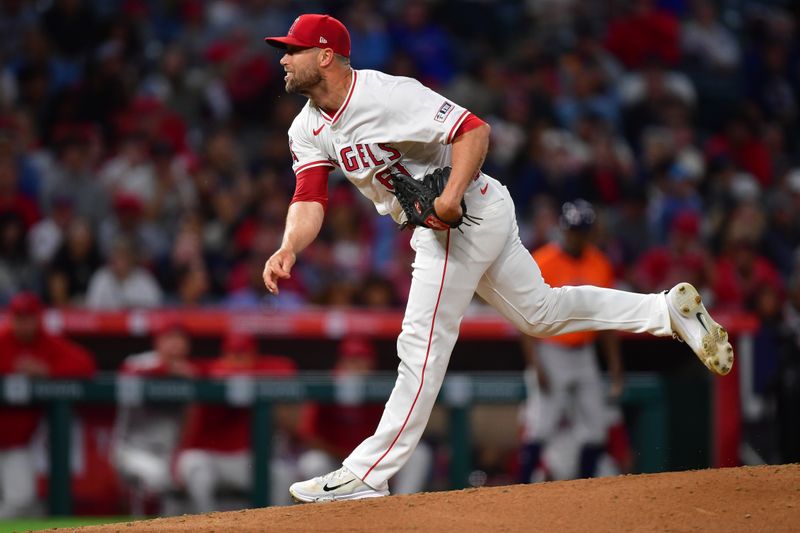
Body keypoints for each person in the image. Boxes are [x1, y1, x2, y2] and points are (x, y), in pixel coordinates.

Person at [261, 13, 734, 503]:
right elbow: (309, 198)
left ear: (325, 56)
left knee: (421, 343)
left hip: (466, 215)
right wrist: (289, 246)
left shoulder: (385, 94)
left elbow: (473, 130)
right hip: (450, 220)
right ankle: (665, 312)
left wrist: (450, 196)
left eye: (293, 50)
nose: (284, 59)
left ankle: (368, 472)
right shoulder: (308, 127)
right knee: (542, 314)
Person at [519, 200, 623, 483]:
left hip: (585, 352)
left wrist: (614, 367)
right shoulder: (543, 260)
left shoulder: (600, 264)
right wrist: (535, 364)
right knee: (540, 425)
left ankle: (584, 492)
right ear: (563, 229)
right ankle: (519, 493)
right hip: (551, 349)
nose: (576, 236)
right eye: (573, 230)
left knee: (595, 428)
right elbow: (525, 317)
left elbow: (607, 321)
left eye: (582, 231)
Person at [174, 332, 298, 511]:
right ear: (224, 355)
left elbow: (287, 368)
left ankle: (274, 526)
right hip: (209, 457)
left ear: (253, 356)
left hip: (243, 460)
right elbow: (189, 369)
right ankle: (206, 526)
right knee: (194, 466)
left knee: (283, 475)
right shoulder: (209, 371)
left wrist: (247, 375)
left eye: (242, 354)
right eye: (232, 354)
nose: (236, 359)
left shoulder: (262, 370)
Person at [296, 336, 432, 496]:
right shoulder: (327, 385)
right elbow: (308, 435)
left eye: (362, 360)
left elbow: (403, 429)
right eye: (352, 360)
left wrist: (377, 460)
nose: (357, 366)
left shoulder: (384, 388)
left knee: (419, 454)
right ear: (340, 362)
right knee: (312, 463)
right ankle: (321, 517)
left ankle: (402, 508)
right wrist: (346, 458)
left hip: (374, 461)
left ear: (371, 364)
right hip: (336, 462)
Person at [0, 292, 96, 517]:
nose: (24, 324)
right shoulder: (2, 341)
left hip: (15, 444)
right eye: (19, 318)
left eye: (29, 318)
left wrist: (47, 371)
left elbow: (86, 365)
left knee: (22, 500)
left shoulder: (46, 343)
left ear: (38, 318)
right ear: (11, 318)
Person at [111, 319, 195, 515]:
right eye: (170, 338)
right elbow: (127, 373)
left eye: (180, 339)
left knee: (184, 487)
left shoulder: (189, 371)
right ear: (158, 342)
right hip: (131, 449)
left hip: (167, 453)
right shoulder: (139, 362)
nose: (175, 344)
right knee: (157, 477)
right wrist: (165, 369)